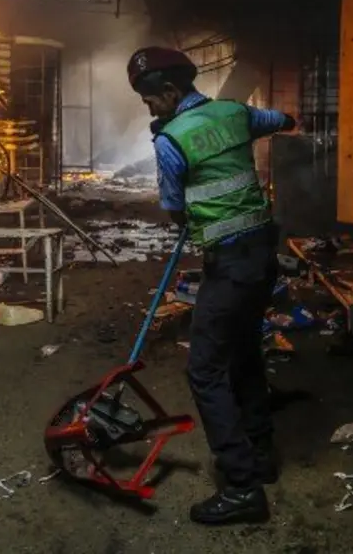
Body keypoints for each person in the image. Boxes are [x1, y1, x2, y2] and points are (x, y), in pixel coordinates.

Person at [127, 45, 297, 526]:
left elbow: (174, 207)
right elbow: (274, 119)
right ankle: (260, 458)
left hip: (230, 265)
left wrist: (195, 216)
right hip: (263, 257)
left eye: (149, 99)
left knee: (204, 371)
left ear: (169, 91)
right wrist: (290, 119)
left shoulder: (171, 140)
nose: (148, 108)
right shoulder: (235, 112)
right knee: (243, 353)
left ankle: (242, 487)